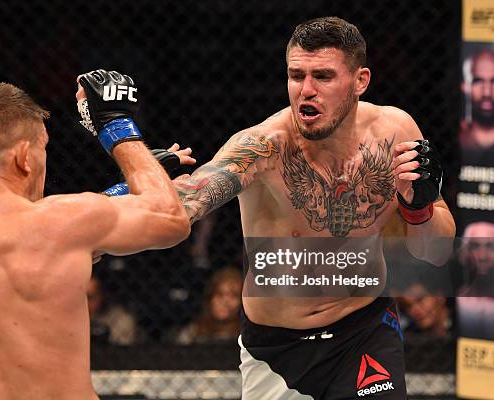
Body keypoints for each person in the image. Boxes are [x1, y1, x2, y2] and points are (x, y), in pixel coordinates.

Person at [170, 17, 456, 399]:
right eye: (296, 75)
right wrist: (137, 182)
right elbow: (183, 204)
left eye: (322, 76)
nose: (306, 90)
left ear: (360, 80)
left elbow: (435, 253)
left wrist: (418, 208)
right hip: (279, 350)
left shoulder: (395, 133)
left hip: (365, 331)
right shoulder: (264, 148)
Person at [0, 71, 190, 399]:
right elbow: (168, 216)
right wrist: (117, 126)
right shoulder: (61, 226)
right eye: (43, 148)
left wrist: (119, 193)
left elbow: (15, 258)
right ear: (24, 157)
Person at [174, 266, 242, 345]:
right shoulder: (193, 333)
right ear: (210, 298)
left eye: (234, 296)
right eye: (219, 294)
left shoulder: (248, 336)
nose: (225, 302)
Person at [88, 272, 140, 345]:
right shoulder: (71, 317)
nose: (85, 303)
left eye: (89, 297)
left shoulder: (121, 319)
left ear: (101, 296)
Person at [460, 48, 494, 151]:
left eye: (493, 81)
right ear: (465, 86)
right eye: (478, 81)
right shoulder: (458, 139)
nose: (487, 93)